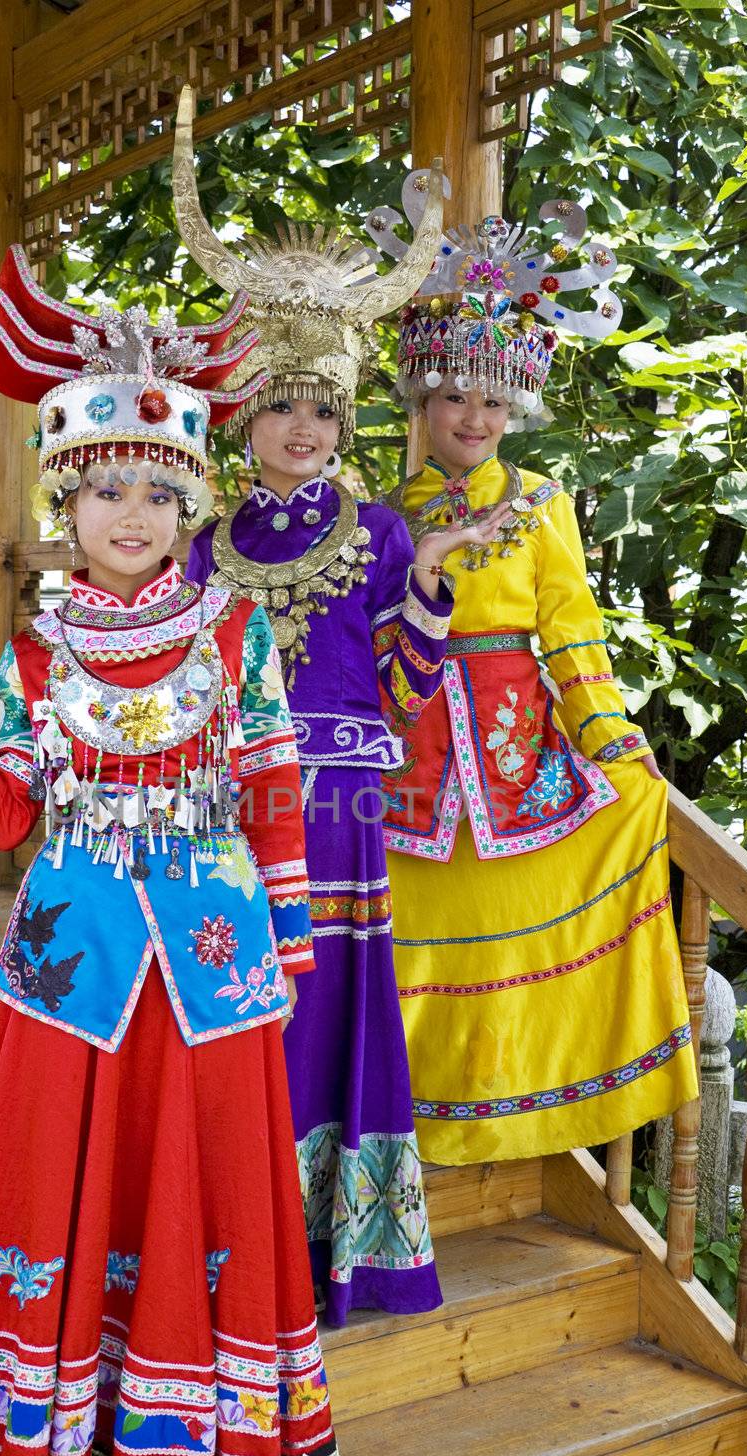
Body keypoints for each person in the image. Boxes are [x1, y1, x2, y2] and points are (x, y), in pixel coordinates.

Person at [0, 248, 346, 1456]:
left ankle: (192, 1455)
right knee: (45, 1193)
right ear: (70, 501)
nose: (129, 511)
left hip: (215, 967)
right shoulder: (33, 654)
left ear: (187, 505)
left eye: (155, 491)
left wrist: (284, 953)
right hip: (69, 972)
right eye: (104, 488)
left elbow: (276, 792)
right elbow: (5, 815)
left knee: (202, 1201)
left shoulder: (238, 639)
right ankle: (32, 1449)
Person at [173, 87, 503, 1325]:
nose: (302, 427)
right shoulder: (198, 543)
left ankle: (327, 1254)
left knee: (321, 1021)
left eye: (321, 405)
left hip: (343, 818)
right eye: (278, 405)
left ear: (346, 412)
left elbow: (409, 692)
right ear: (240, 419)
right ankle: (228, 1238)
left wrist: (424, 592)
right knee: (232, 1013)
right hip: (227, 814)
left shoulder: (379, 533)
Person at [361, 183, 696, 1165]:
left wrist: (619, 753)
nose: (474, 415)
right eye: (455, 394)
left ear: (513, 407)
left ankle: (511, 1118)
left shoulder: (543, 504)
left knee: (514, 931)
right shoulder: (380, 517)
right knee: (400, 932)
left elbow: (574, 646)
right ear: (423, 400)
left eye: (492, 398)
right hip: (406, 761)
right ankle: (399, 1123)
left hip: (516, 757)